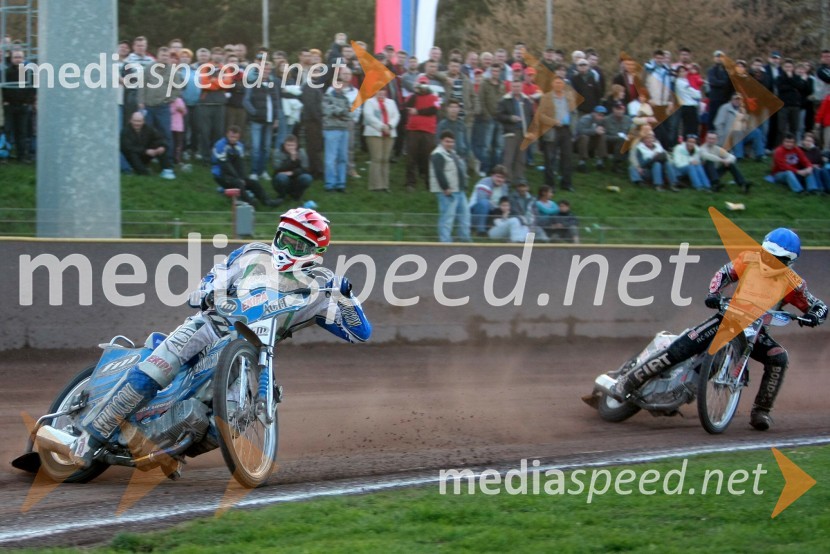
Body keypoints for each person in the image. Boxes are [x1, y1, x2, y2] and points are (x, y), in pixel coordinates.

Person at [68, 208, 372, 468]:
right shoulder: (253, 254)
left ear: (316, 252)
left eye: (298, 244)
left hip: (250, 353)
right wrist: (207, 291)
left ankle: (167, 447)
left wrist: (346, 297)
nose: (287, 248)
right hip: (210, 326)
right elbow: (214, 278)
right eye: (284, 239)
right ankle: (90, 436)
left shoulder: (322, 289)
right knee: (161, 365)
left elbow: (360, 333)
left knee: (233, 419)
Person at [607, 228, 826, 430]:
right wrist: (714, 293)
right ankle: (628, 381)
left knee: (779, 357)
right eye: (767, 254)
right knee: (681, 348)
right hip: (727, 319)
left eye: (777, 259)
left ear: (789, 261)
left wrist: (814, 315)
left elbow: (818, 305)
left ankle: (761, 411)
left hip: (756, 330)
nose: (769, 260)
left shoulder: (794, 283)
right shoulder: (749, 259)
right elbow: (724, 274)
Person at [212, 126, 279, 206]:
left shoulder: (240, 146)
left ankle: (267, 201)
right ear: (227, 134)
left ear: (239, 137)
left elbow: (240, 164)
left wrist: (243, 178)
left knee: (253, 183)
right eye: (231, 137)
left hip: (233, 173)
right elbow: (225, 165)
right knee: (238, 184)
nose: (233, 139)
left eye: (235, 137)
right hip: (221, 174)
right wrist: (238, 179)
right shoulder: (220, 145)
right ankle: (250, 203)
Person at [430, 130, 470, 243]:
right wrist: (445, 188)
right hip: (448, 192)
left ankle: (465, 240)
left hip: (459, 190)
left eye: (452, 142)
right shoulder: (438, 154)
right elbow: (438, 173)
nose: (450, 144)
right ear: (441, 141)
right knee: (447, 218)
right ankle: (445, 242)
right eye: (447, 141)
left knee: (465, 216)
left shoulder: (452, 153)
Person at [121, 111, 174, 177]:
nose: (137, 123)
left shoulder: (148, 128)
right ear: (130, 120)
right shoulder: (125, 131)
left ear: (143, 121)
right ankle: (143, 172)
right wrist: (145, 151)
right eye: (135, 121)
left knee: (161, 147)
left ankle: (167, 170)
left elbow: (159, 138)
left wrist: (162, 146)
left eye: (139, 121)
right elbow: (127, 148)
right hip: (132, 158)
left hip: (145, 155)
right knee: (132, 153)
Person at [468, 165, 508, 236]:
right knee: (484, 203)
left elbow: (504, 202)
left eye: (502, 178)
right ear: (492, 175)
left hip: (493, 213)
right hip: (475, 213)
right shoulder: (484, 182)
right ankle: (480, 230)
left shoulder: (504, 187)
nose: (500, 179)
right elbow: (481, 199)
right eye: (498, 176)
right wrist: (497, 208)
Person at [271, 134, 313, 202]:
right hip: (282, 178)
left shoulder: (301, 152)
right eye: (288, 145)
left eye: (292, 145)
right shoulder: (278, 152)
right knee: (281, 177)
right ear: (284, 145)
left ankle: (297, 195)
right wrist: (291, 160)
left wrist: (293, 173)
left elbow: (305, 169)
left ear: (296, 145)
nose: (290, 147)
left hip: (296, 177)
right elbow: (277, 169)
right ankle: (282, 195)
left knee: (307, 178)